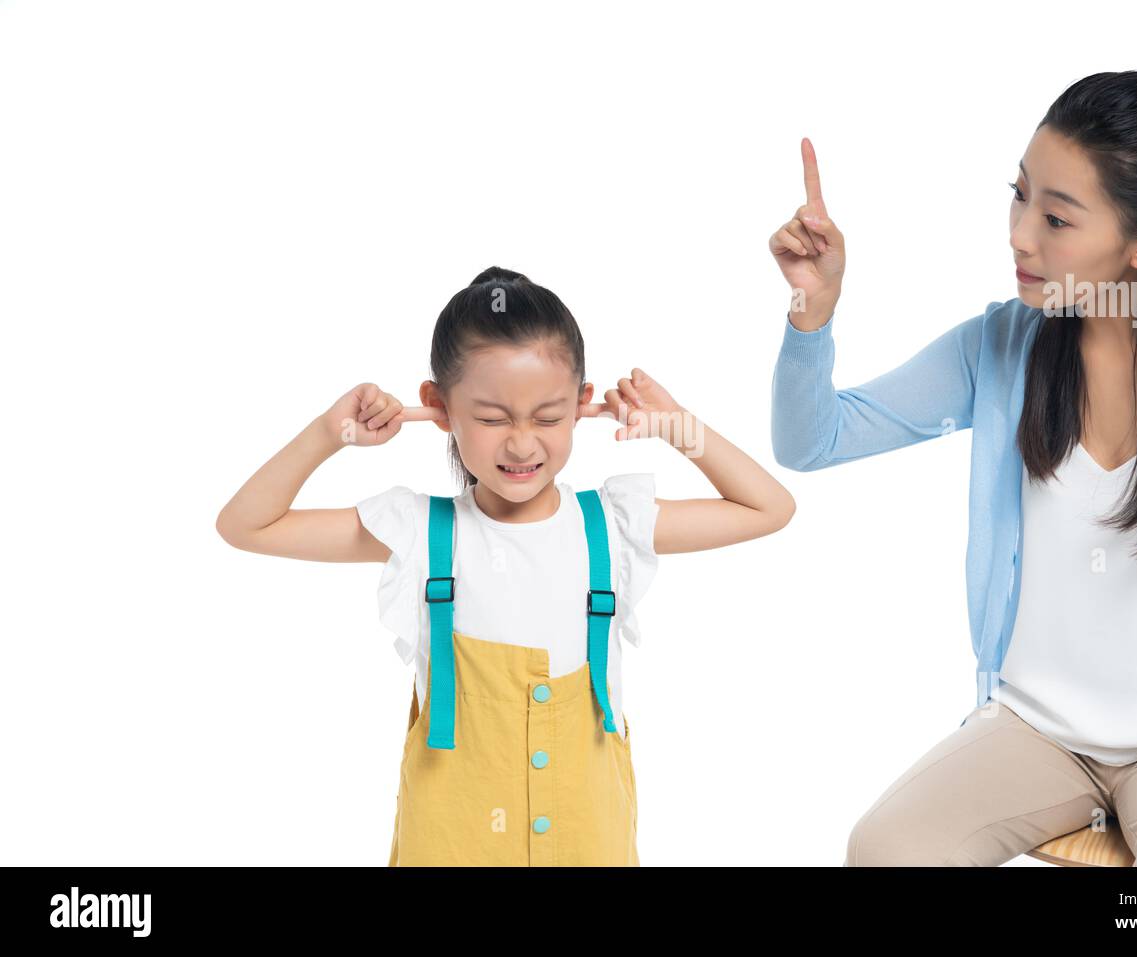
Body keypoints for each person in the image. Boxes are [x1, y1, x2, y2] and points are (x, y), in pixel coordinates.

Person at [769, 71, 1137, 866]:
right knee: (883, 850)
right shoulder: (1002, 346)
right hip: (1036, 729)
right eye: (1019, 196)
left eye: (1056, 217)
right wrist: (814, 312)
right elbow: (813, 440)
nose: (1020, 234)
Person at [217, 266, 795, 865]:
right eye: (492, 419)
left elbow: (769, 507)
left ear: (581, 405)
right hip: (451, 844)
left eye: (548, 417)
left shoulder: (613, 526)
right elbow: (245, 525)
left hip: (585, 842)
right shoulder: (420, 532)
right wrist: (329, 433)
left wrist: (681, 429)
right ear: (437, 408)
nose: (522, 444)